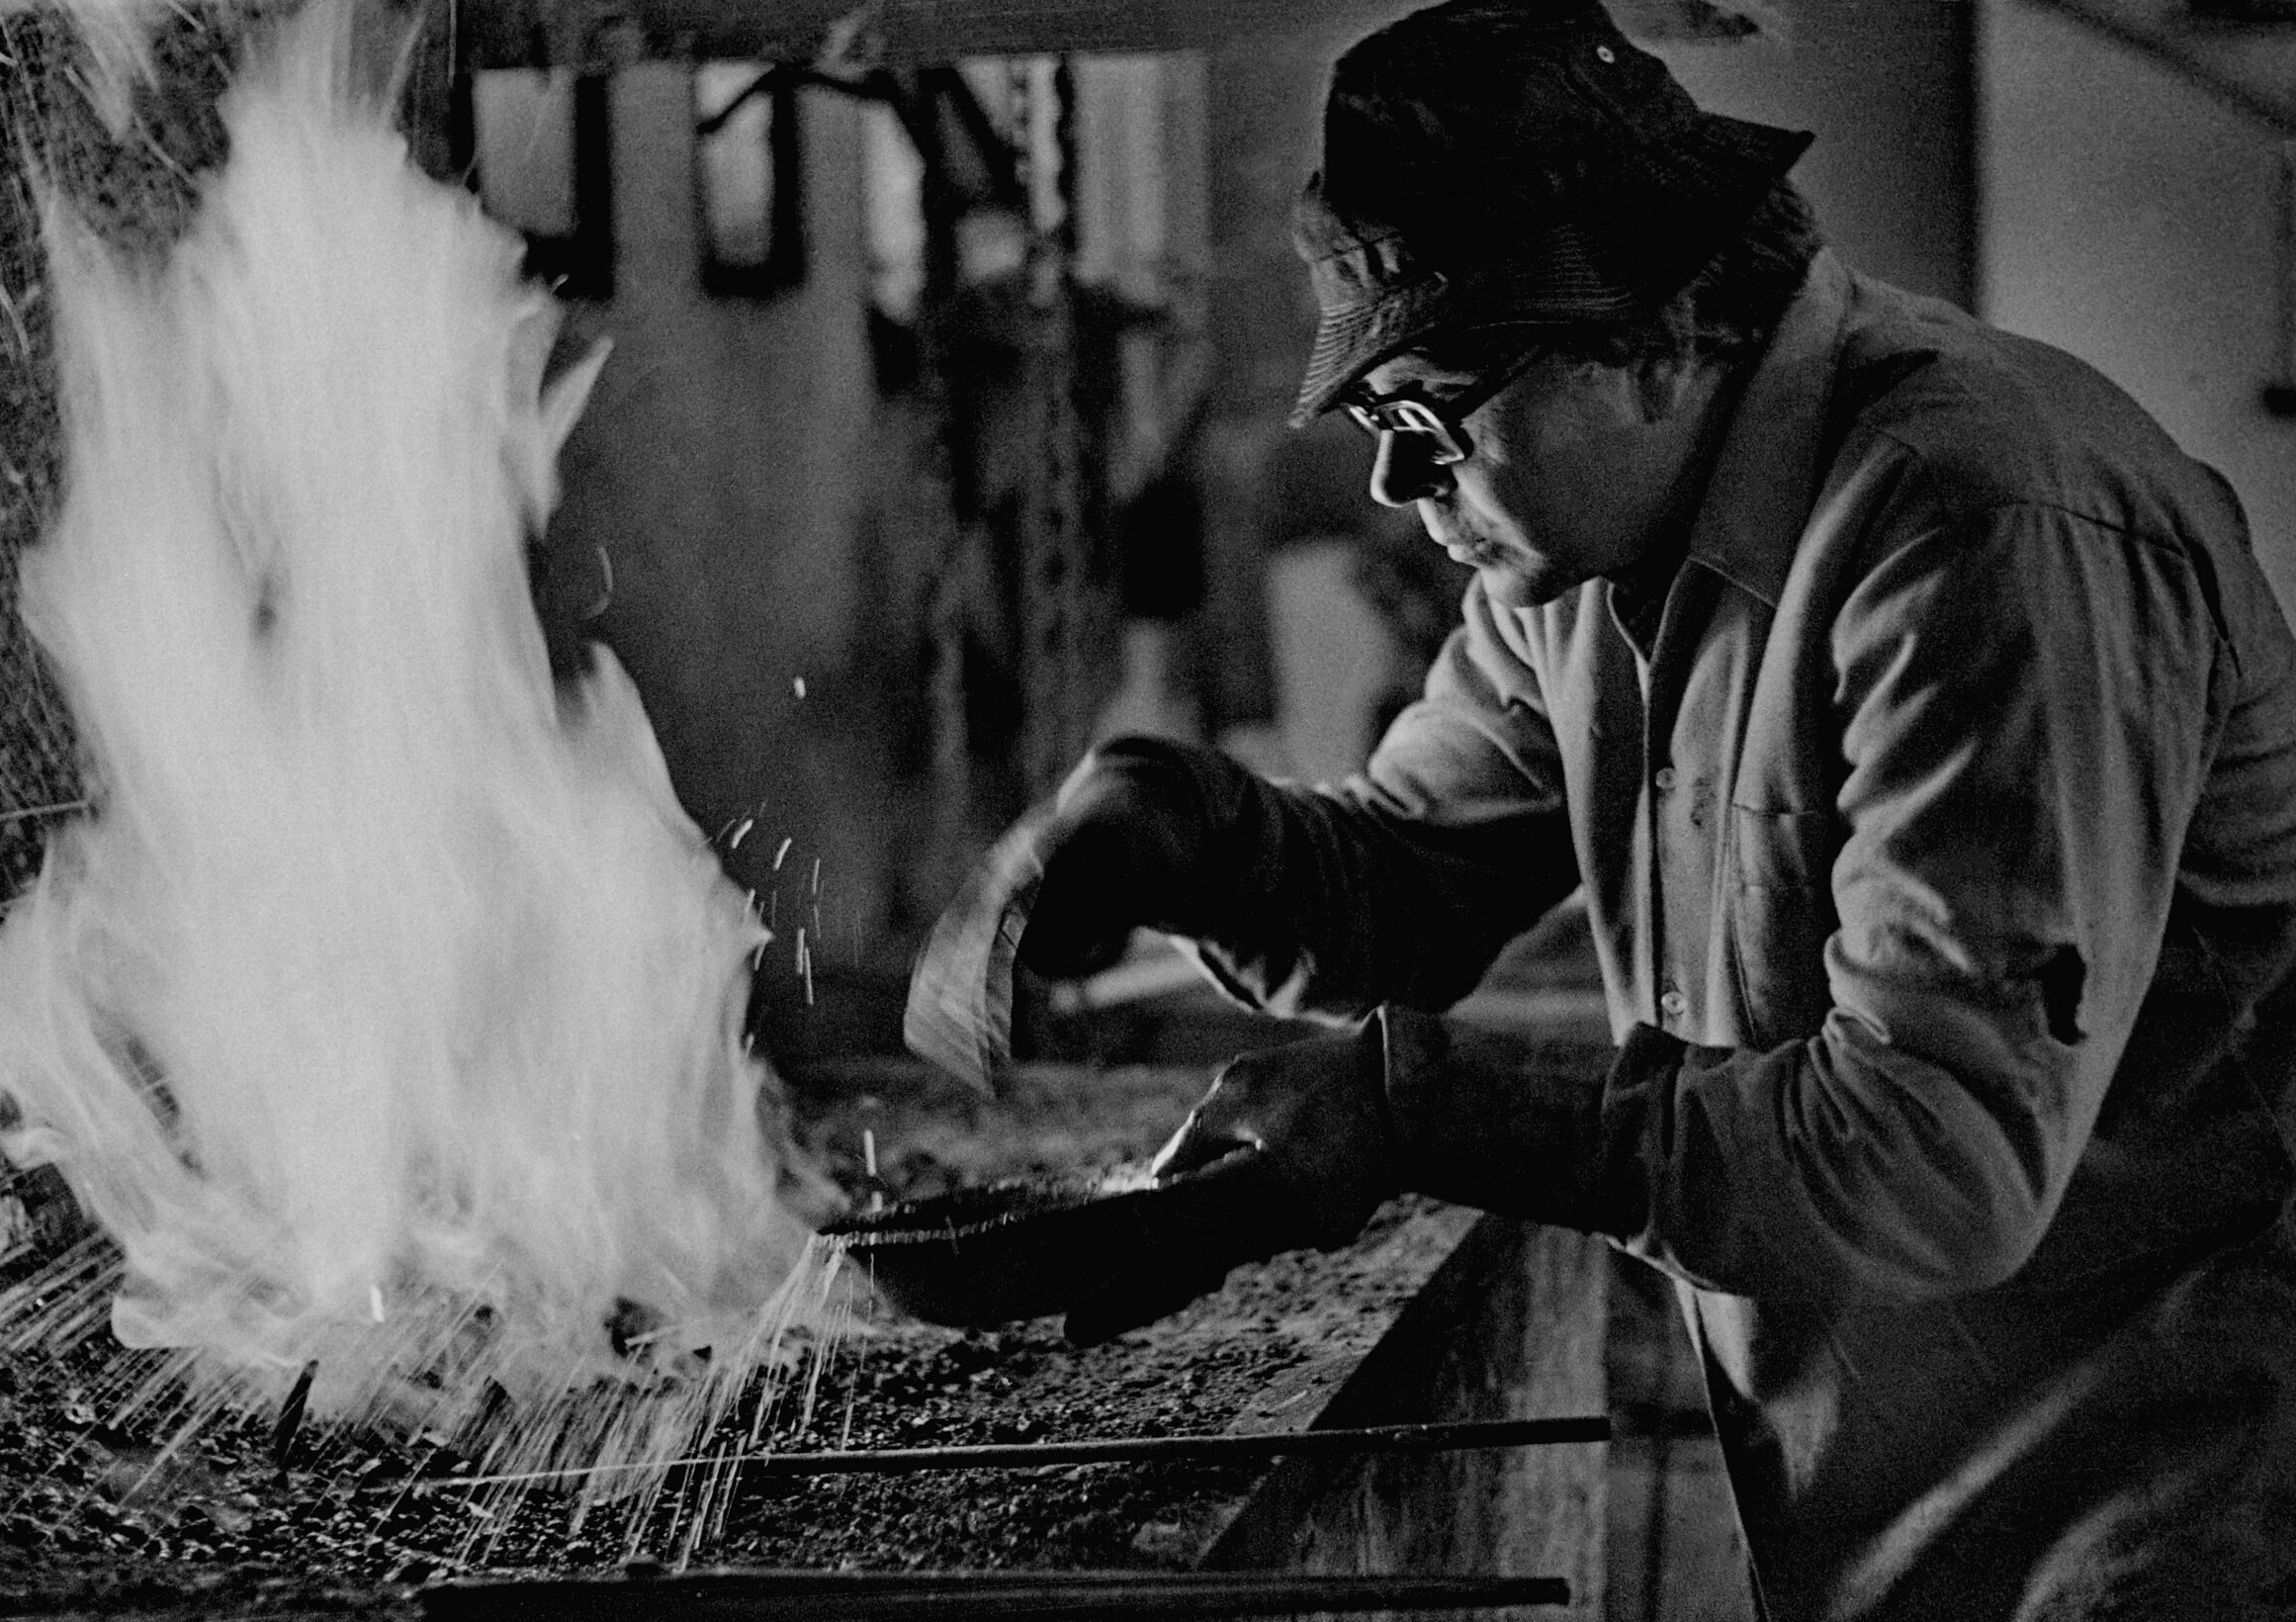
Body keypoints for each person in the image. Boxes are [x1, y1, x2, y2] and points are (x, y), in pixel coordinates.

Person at [918, 3, 2296, 1616]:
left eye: (1431, 412)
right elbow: (1405, 888)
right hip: (1905, 1483)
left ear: (1661, 332)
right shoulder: (1579, 562)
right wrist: (1191, 840)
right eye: (1377, 424)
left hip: (2174, 1485)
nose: (1395, 486)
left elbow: (1939, 1155)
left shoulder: (1977, 528)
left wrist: (1424, 1113)